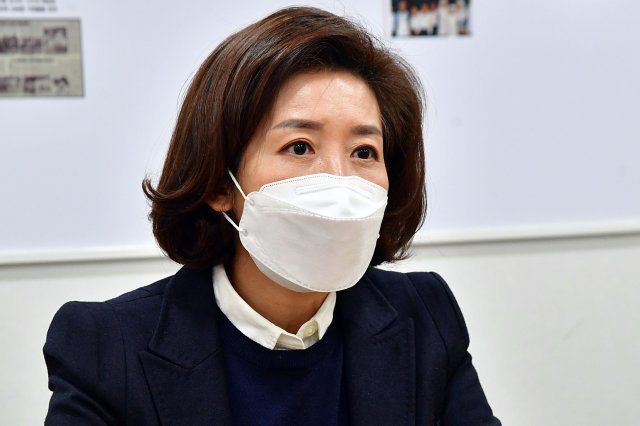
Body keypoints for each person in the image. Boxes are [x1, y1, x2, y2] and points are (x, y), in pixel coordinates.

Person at [42, 6, 501, 425]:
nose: (339, 179)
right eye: (299, 147)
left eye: (364, 152)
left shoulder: (425, 316)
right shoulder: (107, 348)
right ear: (220, 184)